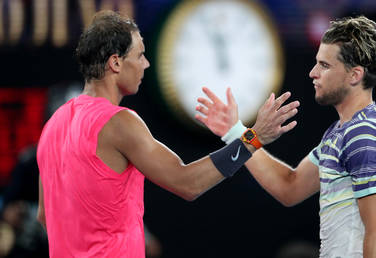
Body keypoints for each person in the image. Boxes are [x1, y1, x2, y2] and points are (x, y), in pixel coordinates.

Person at [35, 10, 299, 258]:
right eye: (140, 55)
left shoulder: (53, 125)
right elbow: (187, 183)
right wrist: (252, 139)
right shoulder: (118, 123)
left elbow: (45, 216)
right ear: (116, 62)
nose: (146, 64)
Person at [195, 15, 376, 257]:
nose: (313, 73)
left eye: (324, 65)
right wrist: (237, 132)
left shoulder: (363, 134)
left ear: (355, 75)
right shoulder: (343, 132)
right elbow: (289, 187)